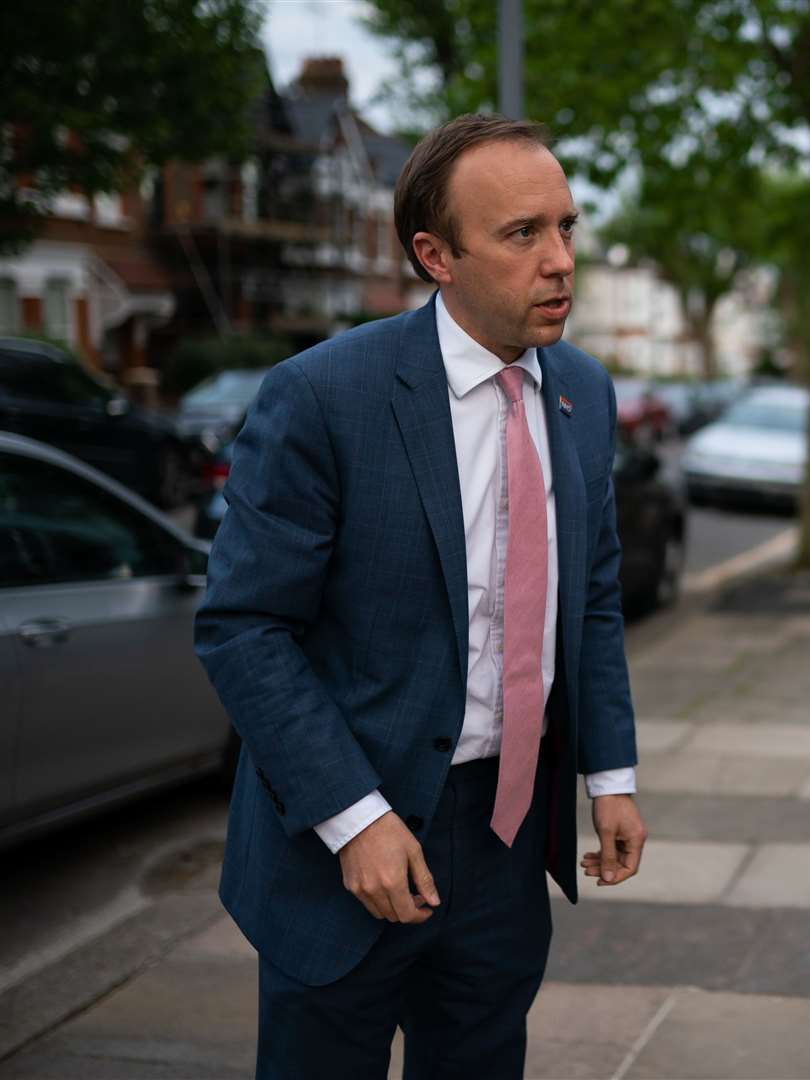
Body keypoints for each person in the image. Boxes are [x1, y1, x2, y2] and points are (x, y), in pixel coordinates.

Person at [195, 114, 648, 1079]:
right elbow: (244, 629)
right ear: (435, 255)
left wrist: (609, 777)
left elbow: (593, 599)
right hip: (343, 843)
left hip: (509, 833)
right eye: (524, 234)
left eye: (567, 227)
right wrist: (352, 817)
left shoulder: (584, 391)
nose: (562, 260)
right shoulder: (321, 396)